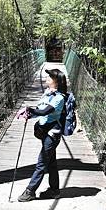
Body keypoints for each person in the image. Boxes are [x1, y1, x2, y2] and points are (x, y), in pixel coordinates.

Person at [17, 68, 67, 202]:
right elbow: (39, 110)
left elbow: (45, 111)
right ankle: (54, 191)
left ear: (56, 81)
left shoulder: (59, 98)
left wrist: (30, 109)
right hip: (44, 131)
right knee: (51, 163)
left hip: (52, 134)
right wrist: (29, 114)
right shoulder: (47, 93)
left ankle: (30, 191)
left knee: (41, 162)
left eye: (50, 77)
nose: (47, 78)